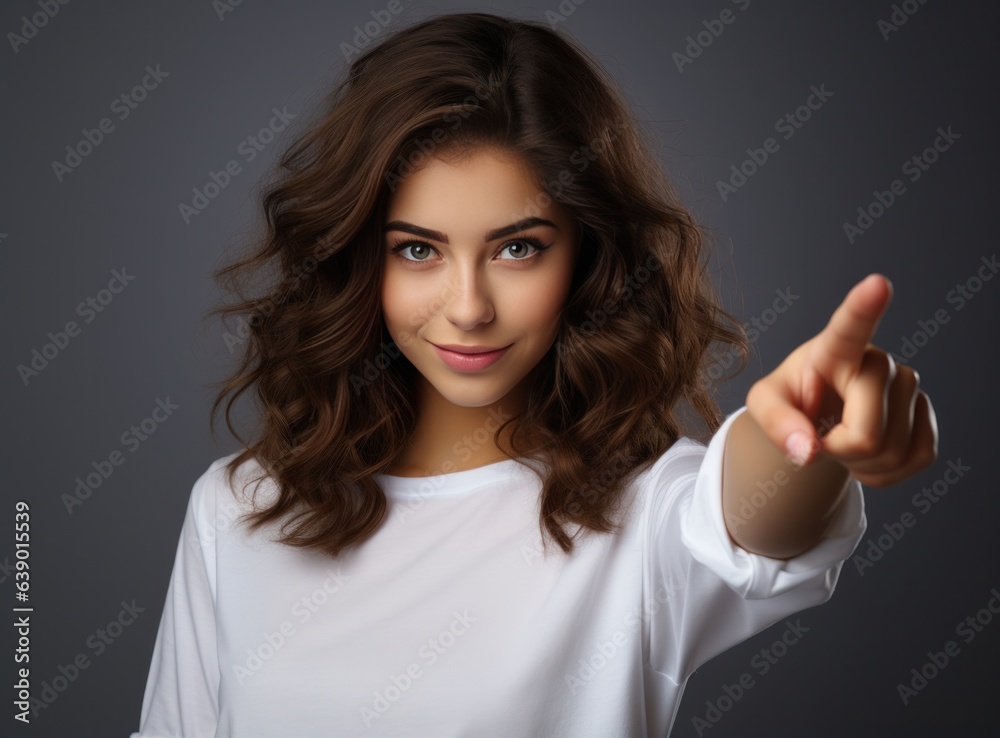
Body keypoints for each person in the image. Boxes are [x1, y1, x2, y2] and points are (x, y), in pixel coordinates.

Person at [129, 11, 937, 737]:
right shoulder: (237, 510)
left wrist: (804, 433)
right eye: (419, 249)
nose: (469, 307)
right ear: (354, 259)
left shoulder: (641, 519)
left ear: (586, 255)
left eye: (518, 248)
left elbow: (752, 519)